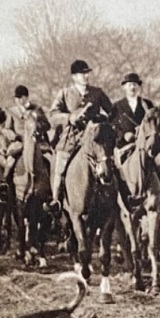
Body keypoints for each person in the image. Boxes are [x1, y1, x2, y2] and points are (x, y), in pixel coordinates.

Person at [48, 59, 115, 207]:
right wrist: (69, 118)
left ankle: (123, 198)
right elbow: (52, 115)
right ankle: (56, 201)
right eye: (82, 74)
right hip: (71, 138)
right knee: (60, 164)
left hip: (95, 138)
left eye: (87, 73)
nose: (86, 76)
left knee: (112, 164)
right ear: (74, 76)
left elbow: (112, 113)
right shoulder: (65, 93)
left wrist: (103, 121)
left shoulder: (98, 93)